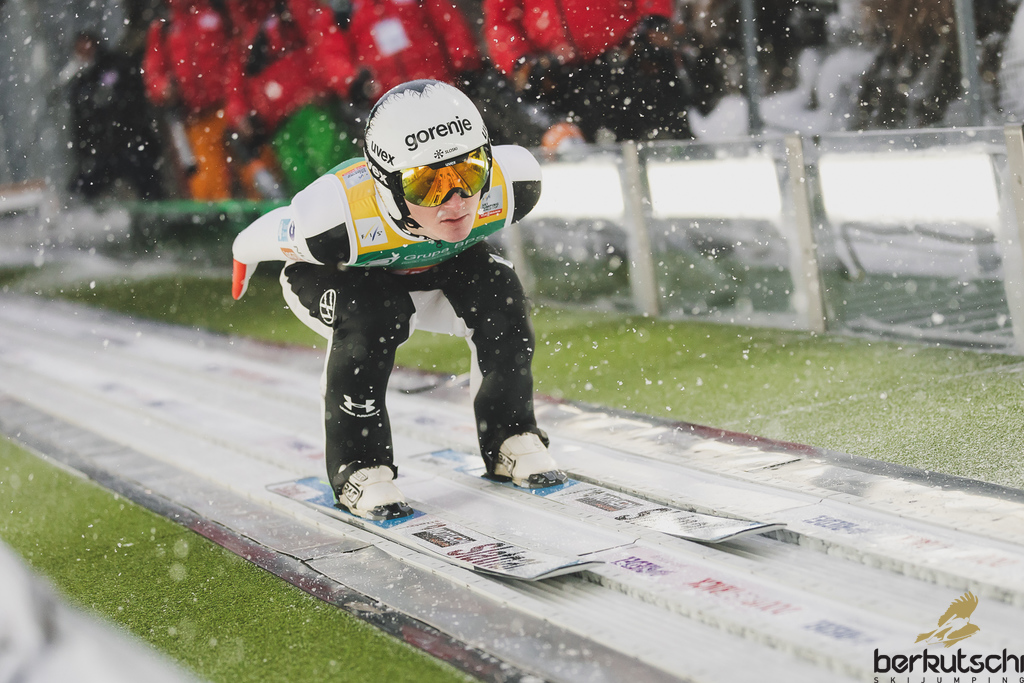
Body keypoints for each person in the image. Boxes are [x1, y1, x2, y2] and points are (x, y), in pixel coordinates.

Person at [230, 80, 565, 520]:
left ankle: (510, 434)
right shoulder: (332, 221)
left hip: (438, 265)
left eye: (469, 173)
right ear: (386, 185)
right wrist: (242, 254)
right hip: (341, 276)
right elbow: (265, 234)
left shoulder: (514, 183)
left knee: (500, 288)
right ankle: (358, 466)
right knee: (373, 314)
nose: (456, 200)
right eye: (428, 184)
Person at [483, 0, 693, 142]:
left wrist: (654, 18)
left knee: (665, 148)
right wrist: (520, 61)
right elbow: (500, 21)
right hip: (560, 78)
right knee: (588, 166)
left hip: (629, 59)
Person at [223, 0, 363, 196]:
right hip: (278, 125)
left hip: (312, 108)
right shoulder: (244, 31)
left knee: (336, 169)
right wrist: (240, 115)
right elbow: (234, 86)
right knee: (304, 184)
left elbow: (320, 41)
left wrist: (325, 84)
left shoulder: (295, 9)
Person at [142, 0, 237, 200]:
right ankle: (223, 217)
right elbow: (154, 72)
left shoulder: (219, 9)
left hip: (230, 107)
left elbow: (239, 50)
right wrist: (163, 88)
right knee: (207, 184)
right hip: (195, 117)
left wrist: (239, 96)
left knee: (253, 169)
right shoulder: (164, 25)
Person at [63, 31, 165, 201]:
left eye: (87, 46)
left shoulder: (117, 66)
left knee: (149, 186)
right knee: (80, 190)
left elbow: (133, 100)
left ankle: (157, 210)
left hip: (132, 143)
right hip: (103, 152)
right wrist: (86, 153)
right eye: (80, 50)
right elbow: (80, 124)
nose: (84, 53)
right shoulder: (81, 82)